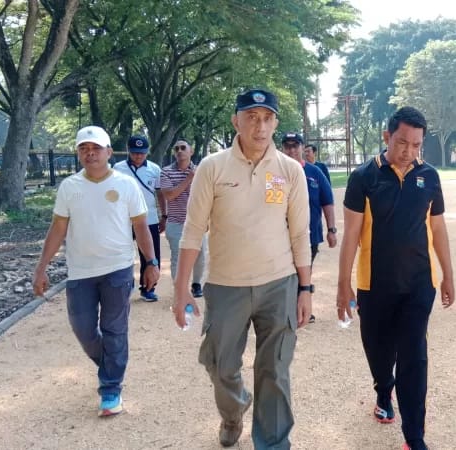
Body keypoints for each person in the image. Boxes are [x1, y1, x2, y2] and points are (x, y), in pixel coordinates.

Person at [171, 89, 312, 449]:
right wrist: (181, 287)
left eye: (266, 118)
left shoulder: (289, 170)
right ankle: (233, 413)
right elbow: (192, 229)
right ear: (236, 121)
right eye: (251, 117)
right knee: (220, 366)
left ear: (275, 123)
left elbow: (299, 233)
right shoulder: (213, 167)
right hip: (225, 285)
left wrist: (306, 289)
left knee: (275, 371)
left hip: (279, 283)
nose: (259, 126)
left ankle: (274, 443)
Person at [337, 106, 455, 450]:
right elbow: (351, 235)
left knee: (414, 354)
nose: (409, 151)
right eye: (402, 142)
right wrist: (343, 284)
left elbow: (438, 227)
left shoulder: (429, 176)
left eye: (416, 145)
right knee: (378, 349)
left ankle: (414, 436)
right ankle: (382, 390)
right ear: (387, 136)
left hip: (419, 283)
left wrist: (448, 274)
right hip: (375, 285)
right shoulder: (364, 177)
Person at [32, 125, 159, 417]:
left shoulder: (126, 185)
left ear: (108, 152)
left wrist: (150, 263)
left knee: (115, 330)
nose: (90, 154)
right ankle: (110, 366)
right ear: (78, 153)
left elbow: (140, 225)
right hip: (80, 271)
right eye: (84, 149)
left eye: (96, 148)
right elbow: (58, 228)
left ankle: (111, 388)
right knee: (83, 328)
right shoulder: (69, 187)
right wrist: (41, 267)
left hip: (117, 268)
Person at [282, 132, 337, 324]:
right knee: (285, 273)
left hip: (309, 235)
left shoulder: (315, 173)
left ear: (302, 148)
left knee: (304, 270)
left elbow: (327, 202)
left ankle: (302, 308)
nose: (291, 150)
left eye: (295, 146)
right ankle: (290, 309)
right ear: (282, 148)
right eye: (287, 146)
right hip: (280, 236)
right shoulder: (275, 173)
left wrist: (331, 230)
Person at [113, 135, 166, 301]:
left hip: (148, 219)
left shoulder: (155, 169)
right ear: (129, 151)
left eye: (142, 153)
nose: (138, 156)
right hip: (124, 219)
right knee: (123, 253)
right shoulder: (118, 168)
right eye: (135, 153)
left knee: (150, 255)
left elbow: (160, 193)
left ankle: (148, 288)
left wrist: (164, 215)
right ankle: (126, 283)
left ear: (147, 152)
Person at [160, 139, 206, 298]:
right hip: (175, 223)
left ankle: (196, 283)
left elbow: (207, 196)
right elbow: (169, 195)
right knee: (177, 258)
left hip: (198, 223)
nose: (179, 151)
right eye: (176, 148)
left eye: (183, 148)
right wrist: (188, 178)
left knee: (200, 256)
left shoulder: (202, 170)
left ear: (191, 151)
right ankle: (180, 290)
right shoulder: (166, 171)